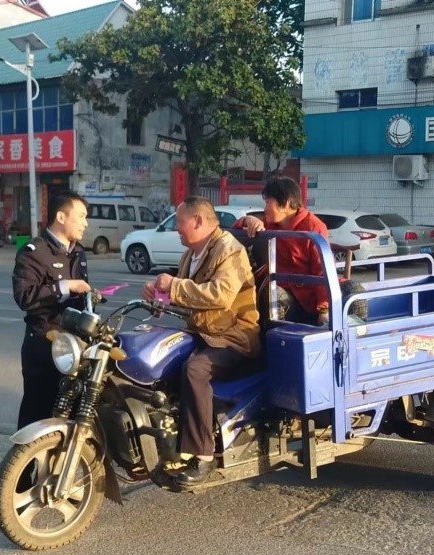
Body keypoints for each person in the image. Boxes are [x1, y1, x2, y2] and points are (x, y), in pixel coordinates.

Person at [142, 196, 261, 486]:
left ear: (198, 221)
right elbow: (183, 296)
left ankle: (202, 456)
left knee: (194, 370)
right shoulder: (191, 254)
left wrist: (175, 286)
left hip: (235, 337)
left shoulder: (229, 250)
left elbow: (220, 295)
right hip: (204, 333)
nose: (177, 229)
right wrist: (157, 295)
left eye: (180, 222)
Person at [12, 191, 91, 430]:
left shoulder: (78, 253)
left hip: (75, 346)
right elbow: (25, 297)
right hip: (45, 345)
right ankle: (24, 467)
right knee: (37, 416)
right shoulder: (33, 252)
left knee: (73, 414)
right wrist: (65, 286)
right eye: (81, 216)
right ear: (61, 217)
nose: (86, 223)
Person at [233, 176, 331, 326]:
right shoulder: (269, 224)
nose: (265, 209)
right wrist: (248, 220)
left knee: (355, 293)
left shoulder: (314, 227)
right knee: (271, 294)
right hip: (280, 288)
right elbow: (235, 230)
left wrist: (323, 310)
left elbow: (321, 271)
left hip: (308, 297)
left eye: (268, 203)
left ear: (285, 203)